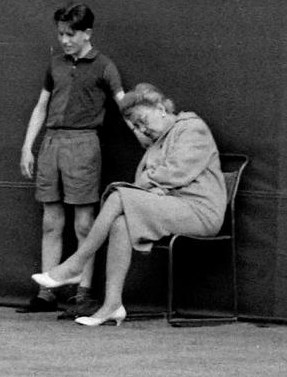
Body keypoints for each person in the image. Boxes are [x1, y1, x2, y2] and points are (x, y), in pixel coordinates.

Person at [33, 84, 227, 327]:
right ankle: (112, 304)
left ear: (160, 108)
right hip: (174, 206)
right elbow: (148, 179)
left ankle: (77, 263)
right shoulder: (156, 142)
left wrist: (153, 184)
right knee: (122, 223)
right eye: (137, 126)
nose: (143, 129)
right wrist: (153, 184)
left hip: (202, 213)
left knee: (119, 195)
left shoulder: (192, 129)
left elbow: (175, 172)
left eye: (143, 120)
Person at [17, 3, 125, 314]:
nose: (64, 40)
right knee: (52, 221)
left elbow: (124, 104)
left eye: (71, 34)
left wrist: (149, 135)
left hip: (83, 145)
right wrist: (28, 146)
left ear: (87, 33)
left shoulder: (104, 66)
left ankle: (83, 292)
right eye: (61, 34)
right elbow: (41, 107)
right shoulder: (55, 65)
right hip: (51, 144)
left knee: (83, 223)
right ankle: (46, 293)